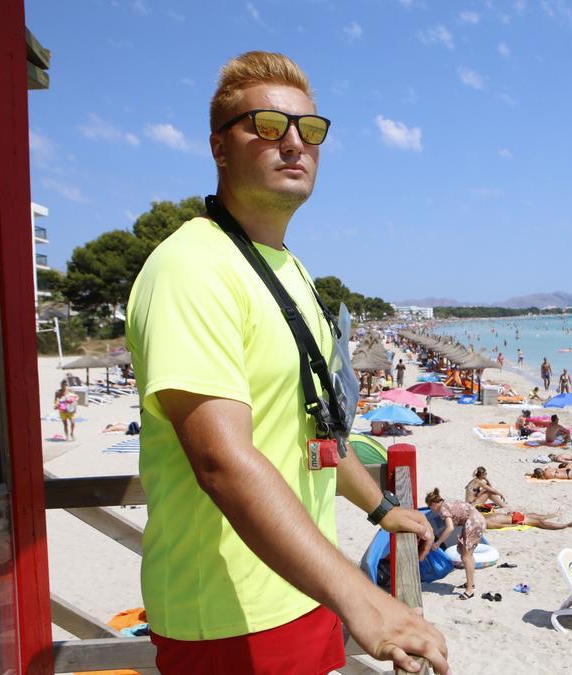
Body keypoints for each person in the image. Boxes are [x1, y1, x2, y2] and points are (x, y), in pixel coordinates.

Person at [125, 52, 446, 674]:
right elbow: (221, 460)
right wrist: (362, 598)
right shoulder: (192, 267)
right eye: (267, 126)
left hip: (302, 584)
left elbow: (316, 429)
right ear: (220, 148)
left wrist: (380, 509)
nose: (294, 142)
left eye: (310, 129)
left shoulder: (287, 266)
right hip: (225, 614)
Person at [425, 488, 486, 601]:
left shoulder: (443, 509)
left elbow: (450, 528)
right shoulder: (447, 503)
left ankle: (470, 590)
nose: (431, 510)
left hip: (473, 522)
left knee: (465, 557)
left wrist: (438, 543)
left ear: (433, 504)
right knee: (466, 553)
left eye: (430, 507)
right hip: (476, 521)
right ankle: (470, 584)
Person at [484, 510, 572, 530]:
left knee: (533, 515)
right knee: (541, 523)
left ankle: (553, 514)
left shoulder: (479, 517)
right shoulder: (485, 522)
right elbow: (500, 526)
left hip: (512, 516)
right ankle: (567, 525)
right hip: (515, 521)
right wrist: (514, 526)